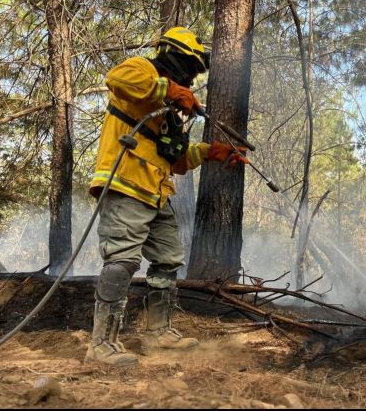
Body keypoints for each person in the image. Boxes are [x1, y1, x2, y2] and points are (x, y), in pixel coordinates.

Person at [85, 27, 248, 366]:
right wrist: (170, 90)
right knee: (122, 259)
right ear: (175, 58)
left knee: (168, 258)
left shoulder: (167, 108)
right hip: (125, 184)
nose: (191, 79)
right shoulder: (142, 70)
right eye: (190, 69)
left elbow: (175, 160)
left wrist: (212, 152)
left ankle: (158, 333)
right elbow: (116, 79)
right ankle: (100, 345)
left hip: (156, 193)